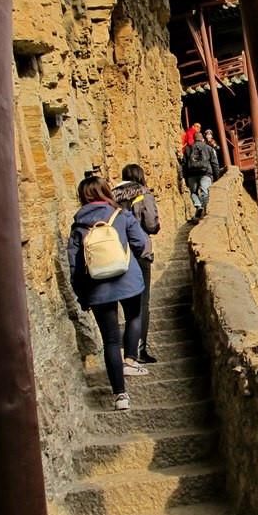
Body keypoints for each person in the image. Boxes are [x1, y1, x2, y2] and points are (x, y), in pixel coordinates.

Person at [67, 176, 150, 411]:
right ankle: (131, 360)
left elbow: (74, 264)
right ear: (105, 192)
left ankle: (121, 396)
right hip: (128, 280)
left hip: (97, 287)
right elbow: (141, 243)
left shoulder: (78, 225)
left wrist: (82, 296)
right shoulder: (121, 215)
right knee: (134, 317)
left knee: (110, 341)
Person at [112, 164, 160, 364]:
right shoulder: (143, 194)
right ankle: (138, 349)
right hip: (138, 252)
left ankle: (122, 347)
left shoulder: (111, 196)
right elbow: (151, 224)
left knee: (124, 302)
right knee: (142, 302)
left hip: (116, 253)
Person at [181, 132, 219, 221]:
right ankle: (205, 210)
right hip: (205, 173)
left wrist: (184, 177)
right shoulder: (208, 148)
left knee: (193, 193)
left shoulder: (188, 149)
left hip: (191, 175)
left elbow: (184, 164)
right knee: (204, 191)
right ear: (202, 138)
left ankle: (198, 206)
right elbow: (215, 163)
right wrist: (216, 176)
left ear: (194, 139)